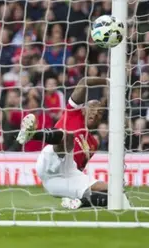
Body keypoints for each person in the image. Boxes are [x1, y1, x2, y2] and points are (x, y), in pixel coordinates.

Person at [16, 76, 131, 209]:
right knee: (68, 137)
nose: (95, 113)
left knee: (115, 191)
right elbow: (84, 82)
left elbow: (79, 170)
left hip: (66, 175)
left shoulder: (94, 143)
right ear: (83, 109)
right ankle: (32, 134)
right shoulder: (73, 113)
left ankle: (78, 202)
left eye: (99, 112)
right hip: (51, 159)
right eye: (92, 108)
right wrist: (109, 81)